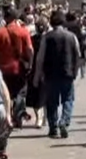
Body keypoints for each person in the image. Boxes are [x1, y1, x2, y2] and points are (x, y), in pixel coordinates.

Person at [33, 10, 80, 139]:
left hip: (50, 74)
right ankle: (64, 121)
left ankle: (53, 127)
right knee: (68, 99)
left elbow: (40, 58)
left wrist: (37, 76)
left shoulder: (46, 37)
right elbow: (77, 54)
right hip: (67, 72)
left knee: (52, 102)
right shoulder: (71, 36)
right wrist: (76, 70)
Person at [0, 7, 33, 128]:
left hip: (2, 68)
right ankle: (18, 116)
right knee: (20, 92)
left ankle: (6, 117)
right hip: (19, 67)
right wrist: (30, 63)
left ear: (5, 18)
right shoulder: (23, 32)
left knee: (5, 93)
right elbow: (30, 50)